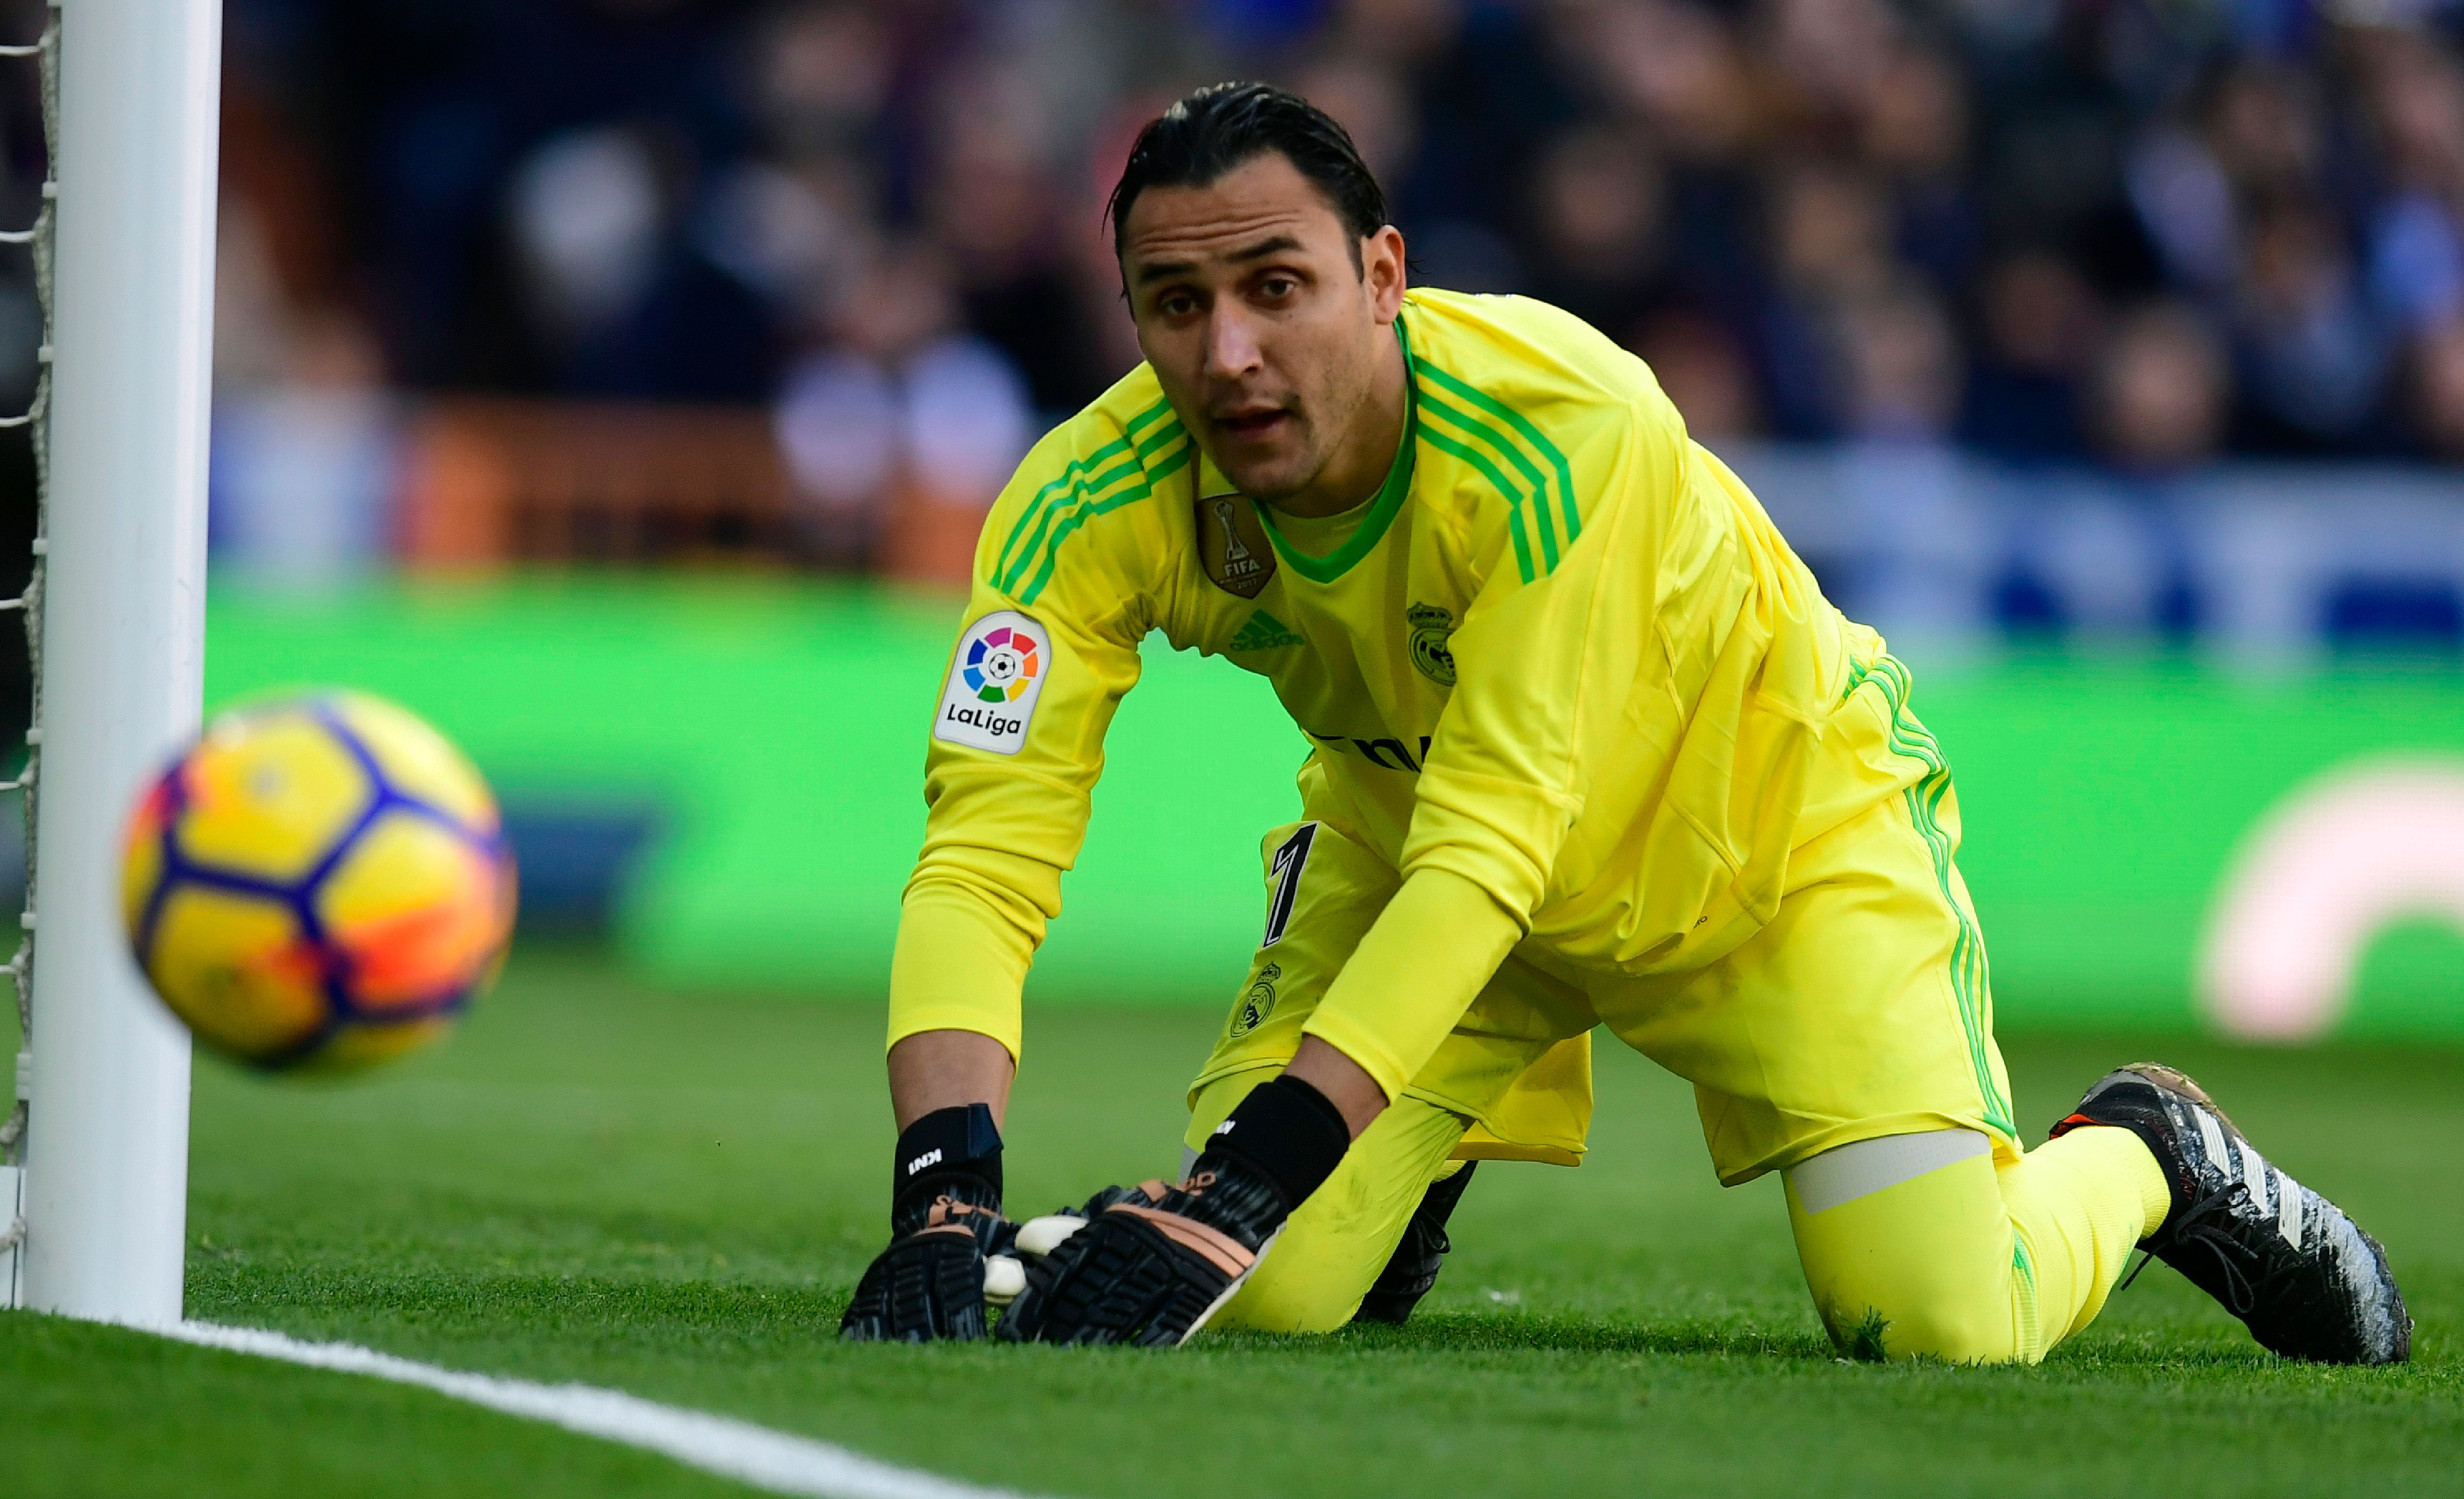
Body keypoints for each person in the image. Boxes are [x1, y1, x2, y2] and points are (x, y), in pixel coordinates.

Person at [838, 82, 2410, 1364]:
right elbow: (985, 849)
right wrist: (942, 1191)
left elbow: (1502, 836)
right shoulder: (1079, 503)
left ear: (1383, 278)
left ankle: (2150, 1150)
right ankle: (1394, 1174)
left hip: (1771, 842)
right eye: (1175, 305)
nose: (1229, 352)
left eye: (1276, 288)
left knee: (1943, 1323)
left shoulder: (1556, 428)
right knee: (1270, 1294)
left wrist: (1254, 1172)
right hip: (1427, 862)